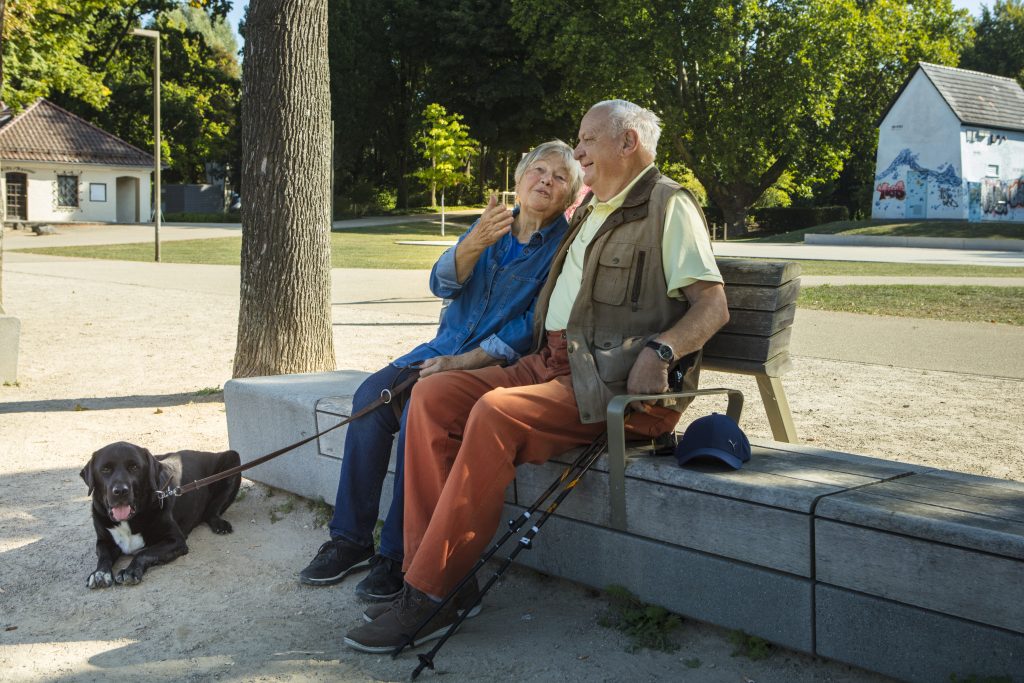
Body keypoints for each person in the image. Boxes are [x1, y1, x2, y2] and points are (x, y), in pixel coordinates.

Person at [344, 99, 730, 652]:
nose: (579, 151)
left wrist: (662, 351)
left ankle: (428, 593)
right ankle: (438, 576)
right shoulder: (592, 208)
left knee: (493, 412)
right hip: (552, 363)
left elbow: (713, 306)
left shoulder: (669, 207)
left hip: (610, 382)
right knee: (432, 395)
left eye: (588, 139)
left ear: (628, 143)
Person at [298, 140, 582, 602]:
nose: (546, 181)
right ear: (519, 179)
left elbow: (531, 326)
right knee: (369, 400)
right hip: (439, 349)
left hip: (490, 366)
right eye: (539, 170)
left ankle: (396, 555)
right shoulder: (491, 225)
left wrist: (462, 363)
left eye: (560, 177)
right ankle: (349, 539)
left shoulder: (563, 248)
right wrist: (473, 243)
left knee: (418, 414)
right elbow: (441, 283)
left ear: (569, 194)